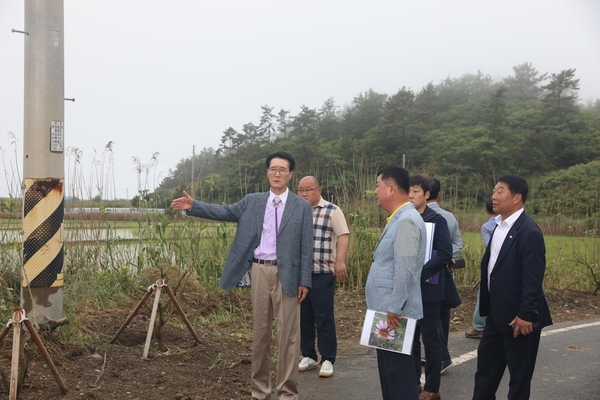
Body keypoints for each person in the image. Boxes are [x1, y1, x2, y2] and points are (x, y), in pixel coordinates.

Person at [171, 151, 313, 400]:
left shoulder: (301, 206)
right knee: (260, 333)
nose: (277, 174)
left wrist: (305, 280)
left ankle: (288, 392)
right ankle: (260, 391)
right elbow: (225, 211)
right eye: (273, 169)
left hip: (288, 274)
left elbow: (306, 246)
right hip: (259, 270)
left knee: (289, 336)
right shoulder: (253, 201)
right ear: (267, 173)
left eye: (282, 170)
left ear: (290, 175)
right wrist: (195, 206)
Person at [472, 175, 553, 400]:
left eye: (500, 191)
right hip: (496, 317)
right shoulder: (498, 226)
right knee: (485, 373)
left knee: (519, 378)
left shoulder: (528, 232)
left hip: (519, 320)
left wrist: (526, 314)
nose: (493, 196)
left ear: (517, 198)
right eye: (494, 191)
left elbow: (533, 277)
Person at [365, 165, 427, 400]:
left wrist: (394, 307)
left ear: (391, 188)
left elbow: (405, 268)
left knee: (398, 377)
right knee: (390, 374)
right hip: (388, 312)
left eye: (378, 186)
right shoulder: (400, 218)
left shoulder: (406, 221)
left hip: (394, 315)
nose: (375, 192)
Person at [296, 176, 349, 378]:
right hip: (301, 273)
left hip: (323, 273)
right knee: (304, 316)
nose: (303, 193)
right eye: (300, 190)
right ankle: (308, 355)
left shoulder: (332, 210)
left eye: (308, 189)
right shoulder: (297, 211)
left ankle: (327, 358)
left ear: (319, 190)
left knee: (324, 317)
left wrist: (340, 261)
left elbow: (343, 235)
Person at [409, 175, 453, 400]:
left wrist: (420, 272)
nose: (411, 195)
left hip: (429, 289)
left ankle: (432, 387)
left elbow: (445, 253)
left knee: (431, 338)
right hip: (409, 288)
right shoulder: (404, 218)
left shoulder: (437, 220)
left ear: (426, 195)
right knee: (410, 337)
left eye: (416, 191)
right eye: (409, 191)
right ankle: (415, 382)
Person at [427, 178, 463, 373]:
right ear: (439, 195)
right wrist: (447, 259)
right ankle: (440, 355)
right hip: (445, 273)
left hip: (426, 276)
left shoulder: (418, 216)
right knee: (442, 317)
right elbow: (457, 243)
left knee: (430, 318)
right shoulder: (449, 217)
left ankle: (441, 356)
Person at [465, 198, 498, 339]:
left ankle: (479, 327)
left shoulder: (487, 226)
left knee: (483, 294)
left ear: (486, 211)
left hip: (492, 265)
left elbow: (489, 247)